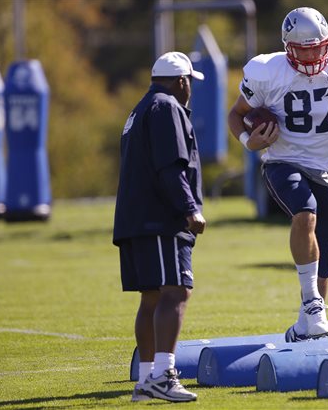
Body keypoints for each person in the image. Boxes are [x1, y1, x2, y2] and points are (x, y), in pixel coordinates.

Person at [228, 7, 328, 342]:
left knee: (327, 253)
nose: (311, 56)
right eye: (303, 50)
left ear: (327, 43)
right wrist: (249, 141)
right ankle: (313, 307)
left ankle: (308, 324)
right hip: (283, 159)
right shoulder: (266, 71)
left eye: (317, 48)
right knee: (306, 214)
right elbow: (236, 114)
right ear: (288, 47)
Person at [113, 51, 206, 402]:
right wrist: (189, 209)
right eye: (189, 84)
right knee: (176, 291)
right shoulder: (166, 106)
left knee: (152, 296)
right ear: (181, 80)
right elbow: (171, 167)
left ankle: (146, 380)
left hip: (135, 217)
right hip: (158, 218)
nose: (190, 92)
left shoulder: (140, 108)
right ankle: (163, 377)